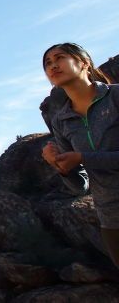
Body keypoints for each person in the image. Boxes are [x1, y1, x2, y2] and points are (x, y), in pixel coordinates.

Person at [40, 43, 119, 267]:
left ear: (84, 62)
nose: (53, 65)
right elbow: (80, 186)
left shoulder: (115, 97)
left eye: (59, 58)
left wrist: (83, 157)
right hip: (111, 222)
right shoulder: (61, 121)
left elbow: (83, 159)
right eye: (47, 63)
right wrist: (61, 168)